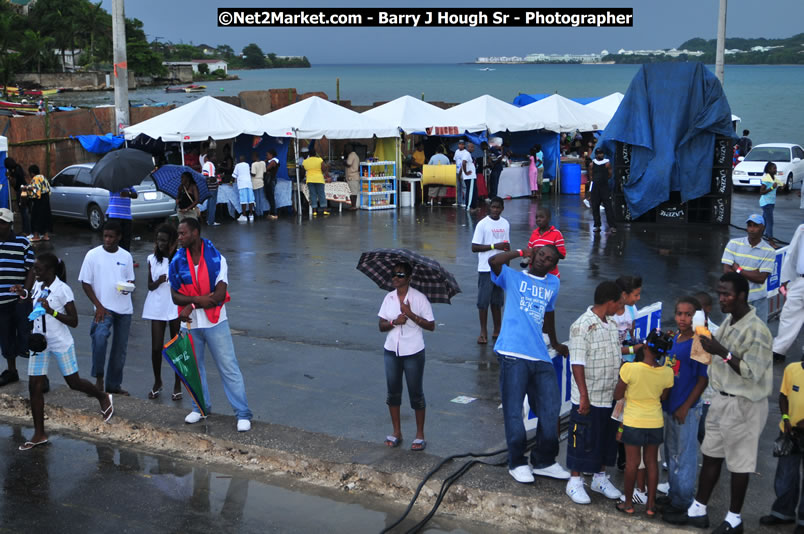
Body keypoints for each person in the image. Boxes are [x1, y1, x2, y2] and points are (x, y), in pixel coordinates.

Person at [664, 272, 773, 533]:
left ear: (742, 296)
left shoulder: (757, 330)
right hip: (721, 401)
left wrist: (721, 352)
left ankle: (734, 519)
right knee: (711, 455)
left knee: (739, 465)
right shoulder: (728, 322)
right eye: (720, 292)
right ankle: (698, 509)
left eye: (727, 294)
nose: (721, 298)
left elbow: (751, 372)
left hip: (744, 404)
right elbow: (708, 355)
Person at [11, 253, 114, 450]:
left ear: (50, 271)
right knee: (34, 386)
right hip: (39, 341)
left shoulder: (63, 290)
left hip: (60, 342)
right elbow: (31, 298)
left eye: (38, 270)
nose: (34, 272)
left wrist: (52, 311)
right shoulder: (39, 286)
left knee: (73, 382)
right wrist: (22, 293)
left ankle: (102, 396)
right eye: (34, 269)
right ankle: (39, 434)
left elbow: (74, 321)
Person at [489, 244, 571, 484]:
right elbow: (494, 261)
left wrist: (555, 342)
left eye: (548, 259)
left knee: (550, 409)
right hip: (512, 353)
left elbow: (549, 314)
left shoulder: (553, 284)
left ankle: (544, 460)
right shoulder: (513, 277)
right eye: (540, 255)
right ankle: (517, 462)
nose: (542, 260)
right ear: (533, 255)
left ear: (553, 266)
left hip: (540, 356)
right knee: (514, 412)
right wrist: (517, 253)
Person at [169, 218, 252, 431]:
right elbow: (175, 297)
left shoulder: (217, 259)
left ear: (195, 233)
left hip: (215, 322)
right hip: (190, 325)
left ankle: (242, 414)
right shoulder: (177, 261)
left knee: (229, 368)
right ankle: (200, 408)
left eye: (183, 233)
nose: (179, 238)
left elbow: (220, 294)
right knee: (194, 371)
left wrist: (192, 304)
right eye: (179, 234)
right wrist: (197, 302)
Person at [565, 281, 625, 505]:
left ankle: (599, 478)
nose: (620, 307)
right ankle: (575, 481)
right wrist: (583, 396)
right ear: (610, 302)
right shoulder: (581, 326)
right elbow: (577, 363)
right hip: (588, 396)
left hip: (608, 394)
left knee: (605, 439)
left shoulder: (610, 324)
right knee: (582, 438)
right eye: (619, 303)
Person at [614, 330, 675, 516]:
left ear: (646, 345)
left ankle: (629, 504)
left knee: (632, 464)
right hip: (655, 422)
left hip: (633, 422)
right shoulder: (667, 373)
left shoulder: (630, 369)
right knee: (652, 463)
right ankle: (650, 506)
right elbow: (663, 397)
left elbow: (617, 395)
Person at [377, 261, 435, 451]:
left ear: (409, 278)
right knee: (393, 392)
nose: (395, 278)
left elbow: (431, 325)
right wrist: (395, 321)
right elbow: (381, 326)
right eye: (393, 274)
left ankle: (420, 434)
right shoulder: (389, 298)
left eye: (400, 275)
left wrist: (410, 315)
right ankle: (396, 432)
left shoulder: (419, 299)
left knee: (416, 393)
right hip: (391, 351)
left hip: (413, 352)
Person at [660, 297, 709, 518]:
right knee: (671, 453)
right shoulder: (676, 338)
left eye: (688, 314)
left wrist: (685, 406)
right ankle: (674, 493)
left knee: (685, 455)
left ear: (696, 316)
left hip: (686, 409)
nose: (682, 318)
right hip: (670, 406)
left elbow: (702, 380)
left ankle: (684, 501)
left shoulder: (700, 340)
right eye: (679, 313)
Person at [78, 219, 135, 395]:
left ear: (119, 237)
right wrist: (98, 306)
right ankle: (99, 379)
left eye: (111, 236)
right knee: (100, 338)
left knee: (120, 350)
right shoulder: (92, 255)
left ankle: (113, 385)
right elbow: (86, 283)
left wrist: (128, 287)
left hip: (124, 309)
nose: (108, 240)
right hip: (104, 309)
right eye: (105, 236)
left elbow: (130, 279)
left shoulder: (126, 256)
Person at [759, 356, 804, 531]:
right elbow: (783, 396)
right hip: (790, 432)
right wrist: (786, 419)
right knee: (786, 475)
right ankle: (782, 513)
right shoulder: (792, 369)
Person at [143, 224, 182, 401]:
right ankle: (157, 381)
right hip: (156, 306)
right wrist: (158, 281)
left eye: (164, 241)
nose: (160, 244)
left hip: (174, 306)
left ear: (172, 242)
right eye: (158, 240)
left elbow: (183, 283)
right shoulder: (152, 259)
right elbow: (149, 286)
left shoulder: (179, 259)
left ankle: (177, 383)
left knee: (175, 346)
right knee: (156, 347)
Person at [0, 208, 34, 387]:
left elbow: (31, 269)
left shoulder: (22, 242)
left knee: (27, 337)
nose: (0, 226)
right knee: (5, 337)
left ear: (10, 224)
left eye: (3, 223)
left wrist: (25, 295)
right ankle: (11, 371)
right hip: (1, 302)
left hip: (19, 300)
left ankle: (39, 375)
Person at [721, 214, 775, 322]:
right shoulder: (733, 244)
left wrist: (738, 269)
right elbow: (727, 272)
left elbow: (761, 278)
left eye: (755, 226)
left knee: (758, 335)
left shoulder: (769, 251)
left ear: (763, 228)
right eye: (749, 225)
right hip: (735, 298)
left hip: (758, 300)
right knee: (731, 334)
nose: (751, 229)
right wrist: (752, 273)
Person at [471, 197, 509, 345]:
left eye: (498, 207)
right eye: (493, 207)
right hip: (486, 269)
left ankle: (497, 329)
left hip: (500, 269)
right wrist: (494, 246)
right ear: (489, 208)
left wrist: (507, 267)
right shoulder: (482, 224)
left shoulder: (505, 224)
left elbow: (506, 246)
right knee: (483, 302)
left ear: (502, 209)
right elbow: (474, 247)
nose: (495, 210)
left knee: (497, 301)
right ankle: (483, 331)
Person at [773, 224, 804, 364]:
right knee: (788, 314)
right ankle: (778, 350)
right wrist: (785, 279)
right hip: (801, 279)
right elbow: (792, 253)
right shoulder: (802, 229)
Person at [526, 207, 566, 277]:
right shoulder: (534, 234)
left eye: (541, 217)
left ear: (549, 219)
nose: (538, 219)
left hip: (551, 275)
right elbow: (528, 253)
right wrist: (532, 253)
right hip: (535, 274)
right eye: (536, 217)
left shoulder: (556, 234)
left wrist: (545, 251)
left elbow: (562, 255)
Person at [587, 148, 616, 233]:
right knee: (595, 207)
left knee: (608, 207)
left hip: (604, 187)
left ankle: (612, 226)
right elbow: (591, 175)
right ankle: (597, 225)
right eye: (599, 154)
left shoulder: (607, 163)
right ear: (596, 155)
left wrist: (604, 180)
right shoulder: (592, 164)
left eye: (602, 153)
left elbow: (610, 174)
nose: (601, 155)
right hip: (595, 187)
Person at [106, 185, 138, 253]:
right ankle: (113, 257)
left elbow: (135, 195)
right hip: (114, 215)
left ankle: (126, 258)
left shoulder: (128, 184)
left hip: (126, 215)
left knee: (126, 240)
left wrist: (128, 194)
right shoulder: (113, 183)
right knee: (114, 239)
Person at [5, 158, 30, 237]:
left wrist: (9, 177)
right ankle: (26, 230)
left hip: (21, 191)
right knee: (24, 211)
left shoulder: (13, 171)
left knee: (23, 212)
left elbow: (14, 184)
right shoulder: (18, 167)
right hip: (25, 189)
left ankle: (26, 231)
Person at [27, 165, 51, 242]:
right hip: (46, 200)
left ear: (32, 173)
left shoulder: (35, 179)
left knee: (35, 218)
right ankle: (46, 236)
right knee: (46, 218)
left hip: (39, 201)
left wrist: (28, 188)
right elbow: (49, 189)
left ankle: (36, 236)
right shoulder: (43, 177)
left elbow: (36, 192)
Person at [759, 162, 783, 241]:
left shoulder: (774, 179)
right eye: (774, 168)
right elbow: (761, 192)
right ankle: (770, 240)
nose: (776, 170)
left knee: (765, 220)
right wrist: (772, 188)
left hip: (771, 202)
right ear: (769, 170)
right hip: (766, 203)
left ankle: (760, 235)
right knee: (770, 222)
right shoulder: (766, 179)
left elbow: (776, 188)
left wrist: (780, 187)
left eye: (776, 168)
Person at [303, 147, 329, 217]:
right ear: (315, 153)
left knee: (313, 194)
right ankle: (325, 211)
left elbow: (303, 170)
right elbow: (323, 168)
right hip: (319, 179)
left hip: (310, 179)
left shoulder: (305, 161)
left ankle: (314, 211)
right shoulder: (319, 160)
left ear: (309, 154)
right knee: (321, 194)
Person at [233, 155, 255, 222]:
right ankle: (251, 215)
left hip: (242, 184)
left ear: (240, 160)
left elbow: (234, 175)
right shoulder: (247, 165)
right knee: (251, 200)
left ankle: (244, 215)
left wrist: (231, 182)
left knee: (243, 200)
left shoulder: (237, 165)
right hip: (249, 184)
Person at [202, 152, 220, 226]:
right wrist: (218, 177)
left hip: (207, 187)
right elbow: (211, 178)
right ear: (211, 157)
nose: (215, 158)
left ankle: (208, 220)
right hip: (212, 187)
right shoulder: (210, 165)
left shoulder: (205, 165)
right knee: (212, 204)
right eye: (214, 156)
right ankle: (211, 221)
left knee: (209, 203)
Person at [453, 139, 471, 207]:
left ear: (464, 145)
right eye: (459, 144)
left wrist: (461, 171)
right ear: (458, 145)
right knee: (458, 187)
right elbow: (455, 160)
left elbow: (464, 163)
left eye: (462, 144)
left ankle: (464, 202)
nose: (460, 145)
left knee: (464, 187)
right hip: (457, 171)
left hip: (463, 172)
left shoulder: (465, 152)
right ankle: (458, 201)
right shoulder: (456, 151)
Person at [250, 151, 267, 218]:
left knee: (256, 199)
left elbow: (253, 174)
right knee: (261, 198)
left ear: (255, 157)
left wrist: (249, 171)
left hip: (255, 182)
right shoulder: (263, 163)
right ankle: (261, 212)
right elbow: (264, 172)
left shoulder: (253, 164)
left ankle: (257, 213)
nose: (251, 158)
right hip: (261, 182)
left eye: (252, 156)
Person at [462, 142, 478, 210]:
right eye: (471, 147)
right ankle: (469, 207)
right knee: (470, 192)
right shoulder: (466, 154)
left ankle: (473, 206)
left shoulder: (468, 154)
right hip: (470, 177)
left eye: (473, 147)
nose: (473, 149)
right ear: (467, 147)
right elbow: (463, 162)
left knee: (474, 191)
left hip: (471, 176)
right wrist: (466, 172)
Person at [264, 149, 280, 220]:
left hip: (270, 180)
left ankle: (274, 213)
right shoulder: (272, 161)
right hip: (270, 180)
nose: (266, 156)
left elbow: (266, 169)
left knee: (271, 196)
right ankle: (272, 212)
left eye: (267, 155)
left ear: (271, 155)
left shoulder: (273, 161)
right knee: (269, 196)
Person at [344, 144, 360, 211]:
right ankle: (353, 205)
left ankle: (353, 206)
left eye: (347, 148)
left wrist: (343, 162)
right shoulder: (356, 155)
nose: (346, 150)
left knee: (352, 193)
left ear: (350, 149)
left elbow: (349, 164)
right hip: (355, 176)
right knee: (354, 192)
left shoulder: (351, 155)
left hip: (352, 177)